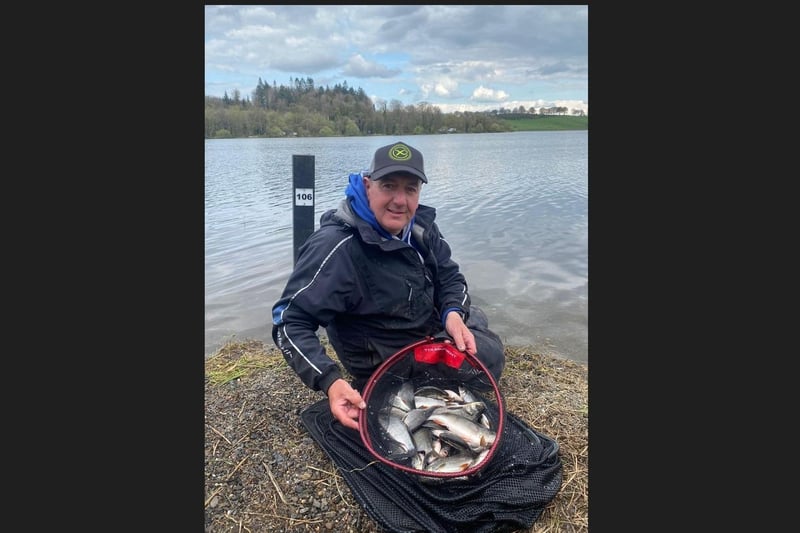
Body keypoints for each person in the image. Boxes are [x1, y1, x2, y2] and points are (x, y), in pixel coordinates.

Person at [272, 141, 505, 430]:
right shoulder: (336, 247)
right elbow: (289, 322)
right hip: (387, 357)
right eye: (389, 186)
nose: (400, 200)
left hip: (423, 325)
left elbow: (450, 276)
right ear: (368, 185)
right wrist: (330, 381)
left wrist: (453, 314)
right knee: (491, 357)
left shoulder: (420, 226)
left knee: (473, 315)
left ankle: (451, 327)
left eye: (410, 189)